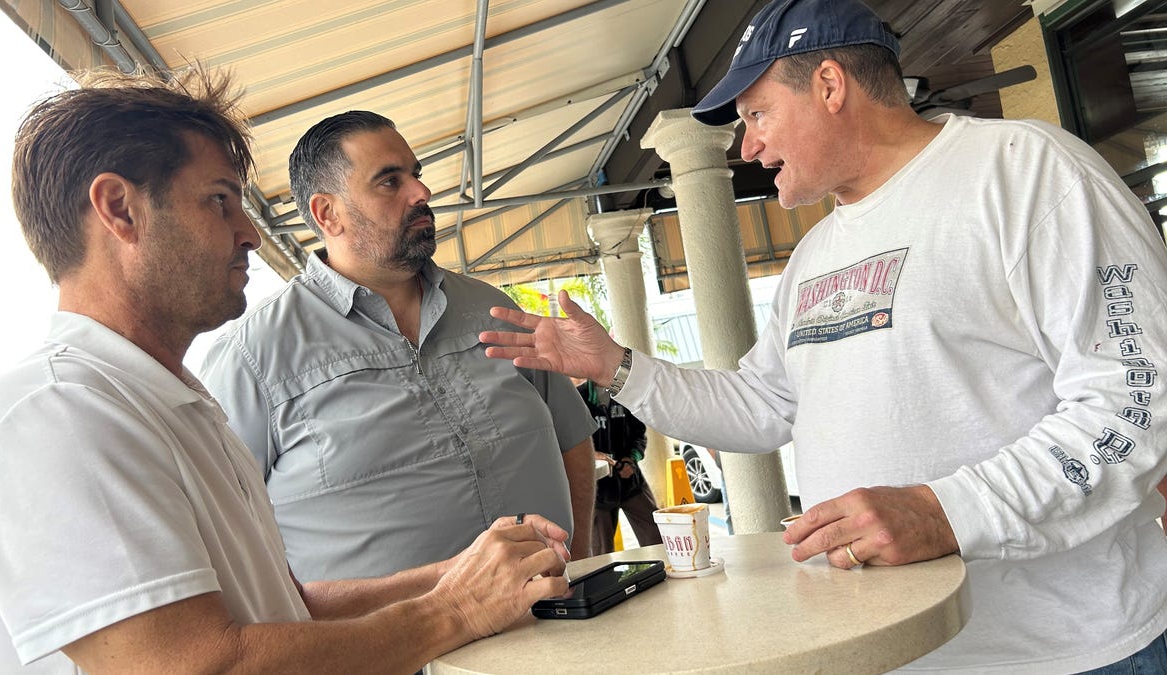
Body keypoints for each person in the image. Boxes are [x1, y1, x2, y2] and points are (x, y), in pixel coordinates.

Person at [479, 0, 1167, 671]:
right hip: (893, 648)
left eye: (757, 114)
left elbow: (1136, 400)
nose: (747, 146)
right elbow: (761, 404)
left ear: (830, 85)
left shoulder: (1025, 171)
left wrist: (946, 510)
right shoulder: (817, 252)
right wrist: (619, 367)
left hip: (1065, 647)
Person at [0, 67, 570, 674]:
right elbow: (202, 665)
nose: (251, 234)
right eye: (220, 200)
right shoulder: (58, 413)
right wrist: (455, 612)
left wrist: (458, 578)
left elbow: (283, 608)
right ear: (120, 209)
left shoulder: (172, 403)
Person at [199, 110, 597, 581]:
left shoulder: (491, 309)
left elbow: (570, 436)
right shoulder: (253, 357)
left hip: (556, 623)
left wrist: (585, 559)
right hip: (392, 652)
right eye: (390, 182)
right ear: (328, 213)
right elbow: (219, 531)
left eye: (416, 174)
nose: (422, 193)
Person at [573, 377, 663, 553]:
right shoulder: (577, 397)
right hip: (597, 489)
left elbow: (639, 434)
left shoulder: (625, 393)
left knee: (656, 538)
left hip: (631, 482)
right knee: (600, 553)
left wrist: (632, 459)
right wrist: (592, 455)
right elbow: (568, 440)